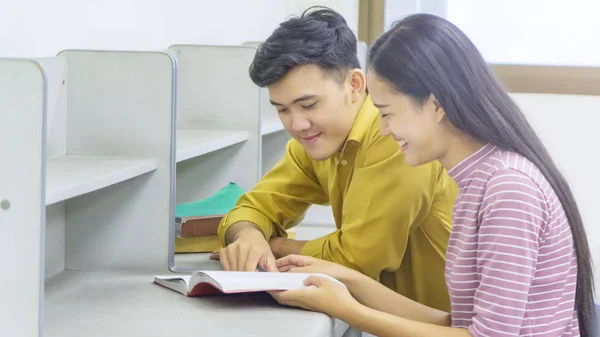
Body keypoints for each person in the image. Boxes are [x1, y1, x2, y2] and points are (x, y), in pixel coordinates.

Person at [268, 13, 596, 337]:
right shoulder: (480, 180)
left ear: (436, 105)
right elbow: (458, 324)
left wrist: (347, 308)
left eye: (387, 113)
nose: (383, 129)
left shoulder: (507, 188)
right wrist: (346, 279)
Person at [214, 6, 459, 312]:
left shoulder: (394, 138)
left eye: (309, 104)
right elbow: (254, 206)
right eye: (282, 109)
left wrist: (273, 247)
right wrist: (249, 235)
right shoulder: (315, 141)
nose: (297, 124)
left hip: (449, 324)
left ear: (354, 85)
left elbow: (358, 260)